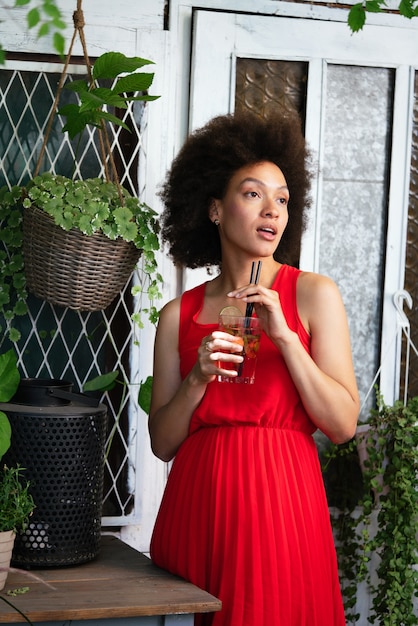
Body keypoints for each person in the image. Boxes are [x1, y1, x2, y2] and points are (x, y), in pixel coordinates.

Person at [148, 111, 359, 626]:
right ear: (215, 209)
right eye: (252, 194)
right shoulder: (179, 315)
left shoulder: (313, 294)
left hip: (282, 502)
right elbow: (162, 443)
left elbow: (343, 424)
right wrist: (197, 378)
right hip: (204, 508)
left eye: (283, 198)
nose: (272, 210)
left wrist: (285, 337)